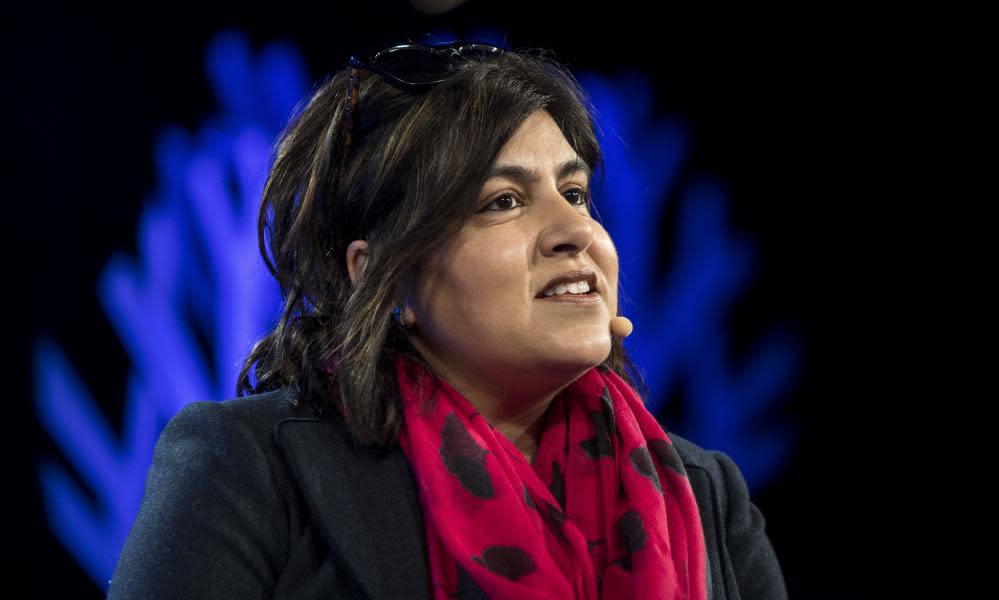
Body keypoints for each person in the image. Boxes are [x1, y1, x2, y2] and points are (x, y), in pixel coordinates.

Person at [108, 41, 787, 599]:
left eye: (575, 192)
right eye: (501, 201)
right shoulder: (250, 470)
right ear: (383, 277)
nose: (573, 230)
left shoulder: (705, 496)